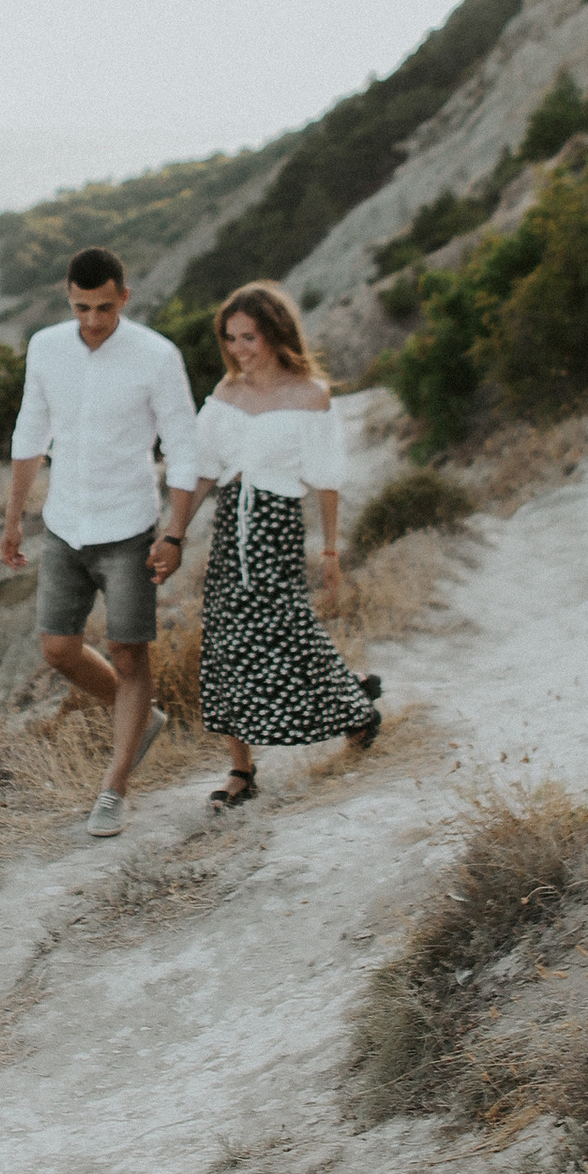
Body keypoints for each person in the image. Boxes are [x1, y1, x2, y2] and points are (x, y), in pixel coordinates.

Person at [0, 246, 200, 837]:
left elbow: (184, 448)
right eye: (82, 307)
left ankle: (114, 787)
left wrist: (176, 533)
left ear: (125, 297)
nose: (92, 320)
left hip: (130, 528)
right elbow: (30, 433)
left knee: (128, 652)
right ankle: (142, 722)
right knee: (57, 649)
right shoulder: (45, 347)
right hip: (64, 525)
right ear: (68, 295)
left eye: (105, 307)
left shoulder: (157, 357)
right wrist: (14, 520)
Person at [190, 281, 382, 809]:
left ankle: (356, 708)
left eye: (248, 337)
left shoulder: (310, 396)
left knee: (288, 629)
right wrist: (174, 533)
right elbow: (203, 471)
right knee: (225, 640)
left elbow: (326, 479)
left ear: (274, 334)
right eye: (230, 339)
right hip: (231, 526)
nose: (238, 350)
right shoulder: (225, 395)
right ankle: (240, 770)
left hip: (277, 524)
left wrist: (330, 553)